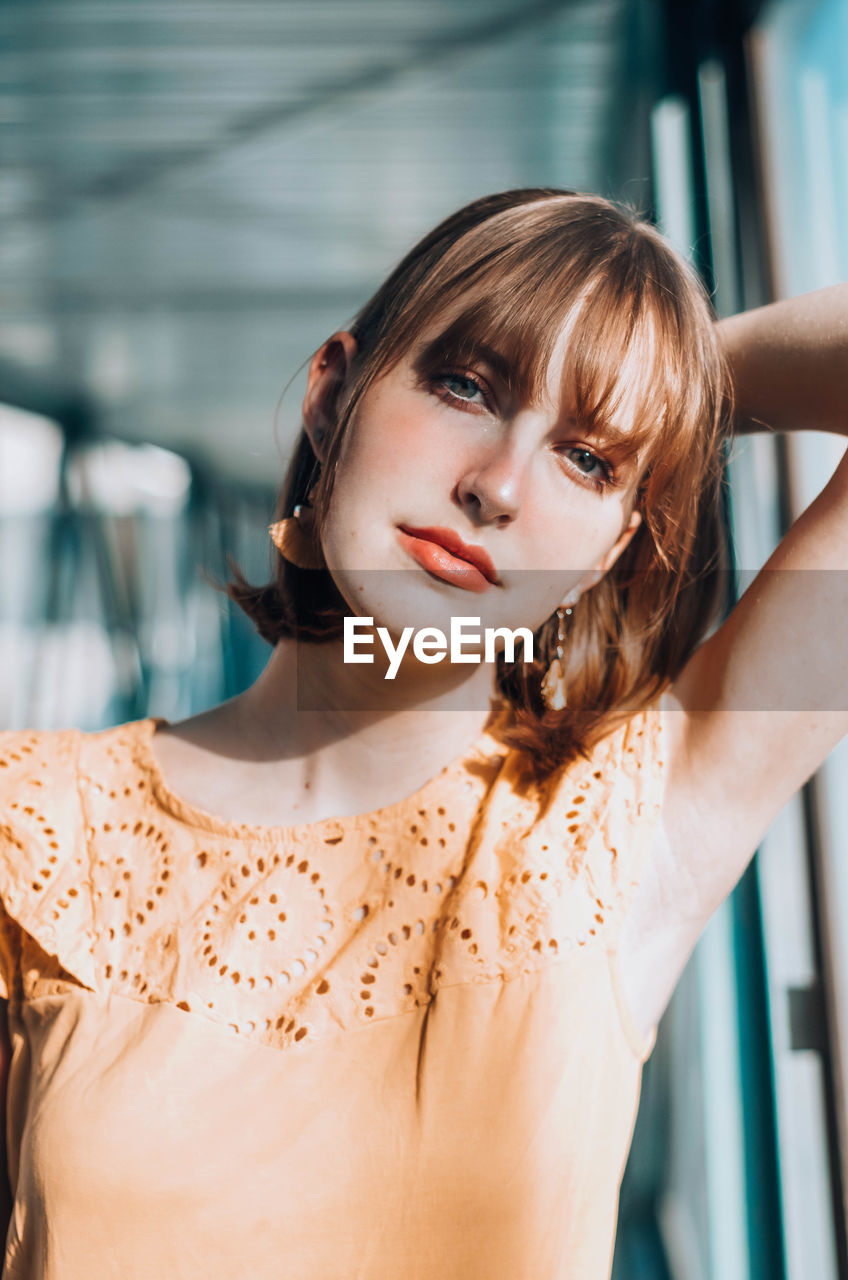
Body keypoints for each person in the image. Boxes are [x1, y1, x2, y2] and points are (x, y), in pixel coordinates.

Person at [0, 188, 844, 1279]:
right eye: (464, 385)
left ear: (609, 546)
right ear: (331, 393)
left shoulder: (627, 832)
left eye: (586, 458)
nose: (496, 485)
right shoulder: (35, 828)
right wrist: (603, 389)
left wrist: (662, 384)